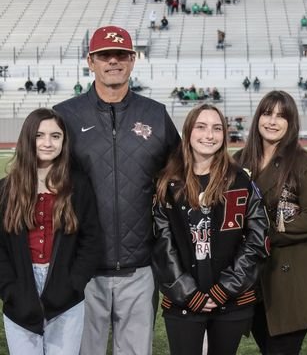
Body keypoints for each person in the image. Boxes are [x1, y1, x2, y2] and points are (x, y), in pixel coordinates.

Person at [54, 25, 181, 354]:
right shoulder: (65, 116)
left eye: (121, 54)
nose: (113, 61)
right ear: (90, 61)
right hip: (82, 268)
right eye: (104, 55)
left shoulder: (155, 114)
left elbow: (180, 177)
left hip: (140, 268)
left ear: (133, 60)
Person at [152, 103, 269, 355]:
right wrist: (188, 292)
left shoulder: (240, 179)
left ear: (224, 136)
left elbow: (257, 238)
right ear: (188, 132)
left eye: (217, 128)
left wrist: (225, 288)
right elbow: (162, 243)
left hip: (232, 300)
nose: (209, 135)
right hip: (183, 301)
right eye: (201, 127)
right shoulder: (167, 182)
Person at [235, 91, 307, 355]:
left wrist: (266, 235)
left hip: (290, 279)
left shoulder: (304, 161)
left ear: (291, 123)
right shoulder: (237, 162)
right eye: (267, 113)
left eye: (281, 116)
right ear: (258, 117)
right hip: (251, 277)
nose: (272, 121)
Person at [0, 108, 100, 355]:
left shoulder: (77, 185)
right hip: (21, 287)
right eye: (40, 135)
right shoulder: (6, 190)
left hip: (65, 290)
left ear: (64, 141)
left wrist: (74, 283)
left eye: (55, 136)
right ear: (28, 139)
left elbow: (92, 240)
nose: (47, 143)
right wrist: (10, 290)